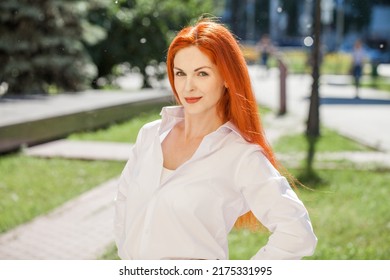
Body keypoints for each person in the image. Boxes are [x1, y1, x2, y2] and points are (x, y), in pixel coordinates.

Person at [114, 18, 317, 260]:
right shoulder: (150, 135)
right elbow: (124, 204)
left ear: (226, 78)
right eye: (180, 73)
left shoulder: (241, 155)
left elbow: (297, 234)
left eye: (202, 74)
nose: (188, 86)